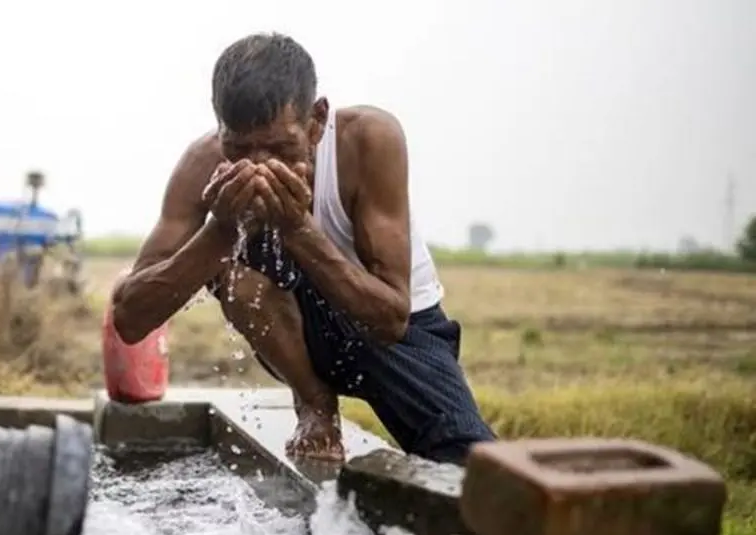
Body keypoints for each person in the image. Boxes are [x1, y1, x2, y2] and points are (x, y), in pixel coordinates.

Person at [110, 32, 496, 464]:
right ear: (220, 128)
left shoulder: (368, 141)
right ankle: (314, 402)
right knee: (236, 273)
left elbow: (391, 319)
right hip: (296, 335)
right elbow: (130, 317)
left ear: (316, 120)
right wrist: (221, 231)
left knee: (468, 463)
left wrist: (297, 227)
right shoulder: (202, 165)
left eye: (279, 147)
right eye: (238, 148)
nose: (258, 165)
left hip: (394, 333)